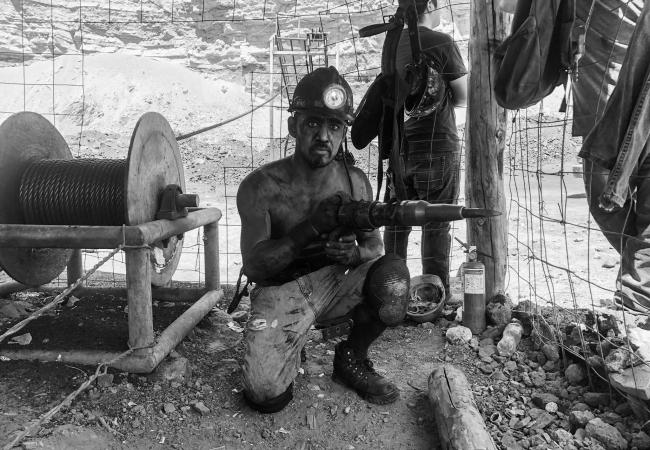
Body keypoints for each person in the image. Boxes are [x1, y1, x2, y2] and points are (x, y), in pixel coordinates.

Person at [236, 67, 411, 413]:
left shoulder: (355, 181)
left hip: (335, 284)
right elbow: (254, 266)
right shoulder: (261, 186)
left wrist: (355, 253)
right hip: (280, 293)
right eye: (314, 123)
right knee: (264, 394)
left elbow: (375, 248)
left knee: (392, 279)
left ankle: (352, 358)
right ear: (294, 126)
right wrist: (311, 229)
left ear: (344, 131)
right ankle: (289, 341)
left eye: (334, 126)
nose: (324, 136)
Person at [383, 0, 467, 298]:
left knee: (396, 221)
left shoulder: (391, 43)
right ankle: (433, 293)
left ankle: (391, 290)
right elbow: (462, 97)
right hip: (438, 143)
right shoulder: (442, 42)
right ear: (430, 4)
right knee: (436, 222)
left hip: (399, 147)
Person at [578, 0, 649, 312]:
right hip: (604, 93)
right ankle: (641, 280)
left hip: (633, 91)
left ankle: (640, 289)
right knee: (604, 196)